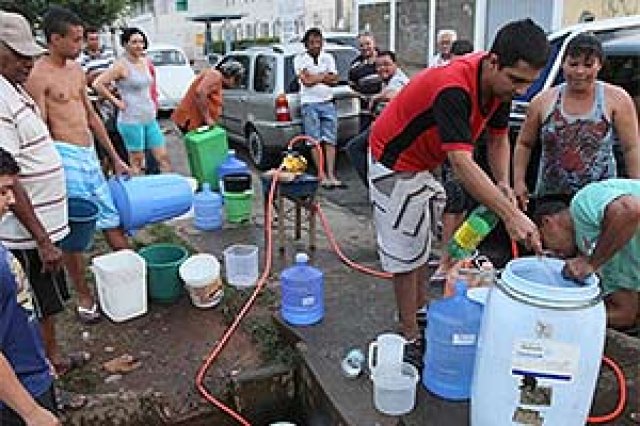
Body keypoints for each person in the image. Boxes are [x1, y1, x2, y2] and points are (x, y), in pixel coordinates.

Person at [368, 19, 549, 364]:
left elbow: (498, 139)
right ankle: (409, 336)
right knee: (404, 253)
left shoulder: (500, 86)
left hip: (425, 160)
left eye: (529, 83)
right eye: (517, 80)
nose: (522, 90)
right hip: (393, 160)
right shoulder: (455, 87)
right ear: (494, 61)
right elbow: (462, 164)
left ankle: (419, 313)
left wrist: (505, 186)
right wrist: (512, 216)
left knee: (420, 244)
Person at [25, 6, 131, 326]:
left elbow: (91, 116)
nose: (80, 45)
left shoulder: (76, 70)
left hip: (88, 154)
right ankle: (84, 295)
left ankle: (130, 273)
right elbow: (40, 128)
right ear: (54, 39)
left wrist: (114, 157)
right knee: (74, 233)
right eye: (74, 39)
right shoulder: (38, 75)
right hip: (62, 156)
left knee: (111, 217)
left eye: (82, 38)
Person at [0, 10, 87, 379]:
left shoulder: (12, 89)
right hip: (27, 237)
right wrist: (42, 239)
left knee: (47, 302)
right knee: (29, 308)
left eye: (28, 53)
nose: (27, 61)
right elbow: (7, 176)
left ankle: (54, 358)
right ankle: (41, 375)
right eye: (17, 53)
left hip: (42, 233)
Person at [514, 33, 640, 210]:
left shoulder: (617, 99)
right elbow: (524, 144)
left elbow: (631, 147)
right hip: (552, 199)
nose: (580, 71)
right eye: (573, 64)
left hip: (601, 199)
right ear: (563, 64)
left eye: (588, 65)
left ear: (599, 66)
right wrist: (518, 182)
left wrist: (636, 188)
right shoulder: (543, 101)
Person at [0, 148, 60, 426]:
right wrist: (31, 412)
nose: (11, 200)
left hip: (30, 373)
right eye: (2, 192)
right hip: (15, 397)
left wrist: (38, 357)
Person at [533, 179, 640, 329]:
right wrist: (559, 318)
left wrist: (591, 263)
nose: (552, 255)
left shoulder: (582, 203)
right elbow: (625, 314)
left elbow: (629, 209)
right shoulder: (598, 251)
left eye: (544, 244)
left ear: (547, 222)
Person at [93, 27, 172, 174]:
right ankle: (137, 193)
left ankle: (165, 190)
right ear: (125, 44)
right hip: (131, 119)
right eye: (134, 42)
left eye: (141, 42)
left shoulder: (145, 61)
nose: (139, 46)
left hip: (149, 117)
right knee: (136, 161)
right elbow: (97, 84)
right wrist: (116, 102)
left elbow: (150, 86)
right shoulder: (120, 65)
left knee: (163, 157)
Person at [347, 50, 409, 185]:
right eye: (379, 66)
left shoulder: (398, 79)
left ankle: (372, 186)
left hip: (398, 128)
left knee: (354, 147)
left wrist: (376, 98)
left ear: (396, 65)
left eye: (386, 64)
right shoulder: (386, 80)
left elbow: (394, 94)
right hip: (386, 125)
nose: (382, 69)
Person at [294, 28, 344, 189]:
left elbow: (335, 79)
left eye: (318, 42)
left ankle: (331, 174)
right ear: (306, 45)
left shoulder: (328, 57)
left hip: (327, 101)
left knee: (330, 140)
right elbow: (306, 82)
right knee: (314, 140)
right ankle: (321, 175)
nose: (316, 45)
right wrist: (324, 76)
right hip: (309, 104)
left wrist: (316, 77)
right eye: (312, 43)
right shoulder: (300, 59)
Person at [171, 60, 244, 133]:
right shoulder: (215, 75)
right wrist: (207, 118)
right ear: (231, 76)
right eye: (237, 78)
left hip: (195, 121)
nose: (238, 83)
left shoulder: (217, 79)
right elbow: (200, 93)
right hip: (189, 120)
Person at [348, 32, 382, 131]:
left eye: (368, 44)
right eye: (361, 45)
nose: (365, 47)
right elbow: (352, 88)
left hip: (385, 110)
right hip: (365, 113)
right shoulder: (355, 65)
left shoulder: (384, 61)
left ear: (374, 43)